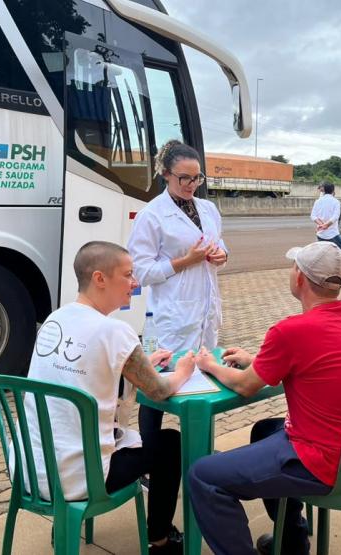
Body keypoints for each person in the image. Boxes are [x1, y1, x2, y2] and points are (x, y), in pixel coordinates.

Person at [186, 242, 341, 555]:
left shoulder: (290, 331)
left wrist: (209, 365)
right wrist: (256, 360)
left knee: (203, 476)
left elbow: (245, 387)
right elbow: (304, 364)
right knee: (265, 429)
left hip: (329, 462)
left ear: (300, 279)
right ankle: (293, 542)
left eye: (295, 267)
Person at [25, 241, 195, 554]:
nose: (136, 282)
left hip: (30, 468)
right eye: (128, 275)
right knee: (169, 442)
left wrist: (139, 365)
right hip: (80, 477)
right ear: (100, 278)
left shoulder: (55, 319)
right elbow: (158, 390)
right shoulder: (114, 331)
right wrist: (182, 370)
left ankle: (64, 524)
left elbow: (82, 369)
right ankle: (159, 539)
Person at [128, 139, 228, 455]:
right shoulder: (151, 215)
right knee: (156, 389)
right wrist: (186, 261)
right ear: (166, 175)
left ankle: (198, 452)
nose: (191, 185)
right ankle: (149, 457)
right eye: (184, 178)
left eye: (196, 178)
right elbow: (141, 271)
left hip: (204, 310)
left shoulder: (208, 208)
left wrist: (221, 255)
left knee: (202, 383)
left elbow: (220, 244)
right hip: (168, 317)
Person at [310, 182, 341, 248]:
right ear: (333, 190)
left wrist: (321, 225)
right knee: (336, 254)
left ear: (324, 190)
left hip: (320, 234)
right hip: (333, 234)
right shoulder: (336, 202)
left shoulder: (317, 201)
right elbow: (335, 216)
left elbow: (313, 216)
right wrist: (326, 225)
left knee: (321, 255)